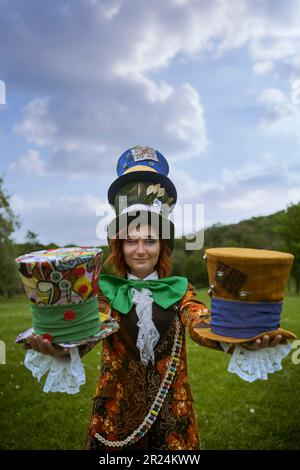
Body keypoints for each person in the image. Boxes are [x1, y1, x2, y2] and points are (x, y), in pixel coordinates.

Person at [26, 221, 285, 451]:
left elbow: (198, 321)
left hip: (172, 414)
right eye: (131, 241)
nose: (140, 250)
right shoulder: (104, 291)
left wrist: (235, 339)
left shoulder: (181, 289)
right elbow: (92, 329)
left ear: (162, 246)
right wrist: (64, 348)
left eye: (150, 241)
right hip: (114, 415)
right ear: (120, 247)